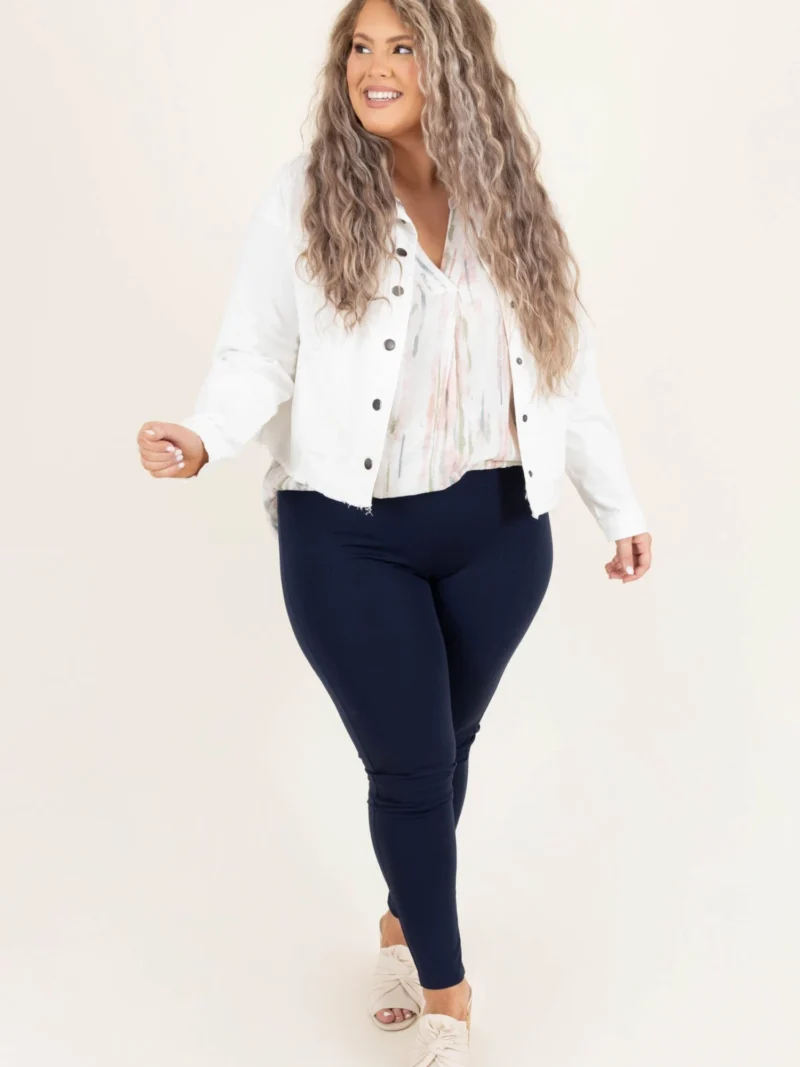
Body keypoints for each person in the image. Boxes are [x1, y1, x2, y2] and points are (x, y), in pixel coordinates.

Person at [135, 0, 653, 1062]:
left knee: (446, 749)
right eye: (360, 48)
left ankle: (397, 926)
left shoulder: (512, 198)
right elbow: (256, 351)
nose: (374, 67)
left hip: (499, 530)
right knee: (410, 767)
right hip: (347, 534)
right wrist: (203, 435)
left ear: (449, 61)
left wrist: (619, 506)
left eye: (401, 46)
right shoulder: (306, 194)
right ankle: (447, 995)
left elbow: (567, 369)